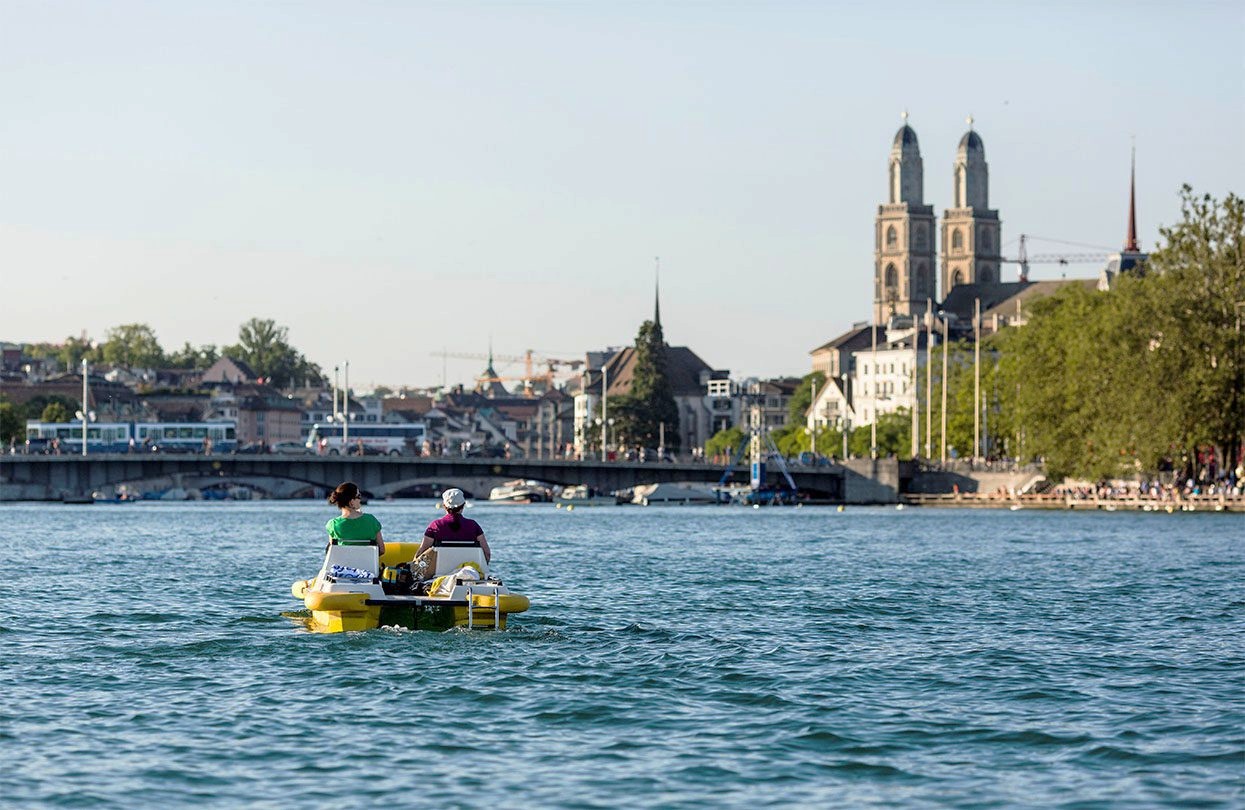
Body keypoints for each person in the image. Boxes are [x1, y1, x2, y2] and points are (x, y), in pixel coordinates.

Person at [416, 488, 491, 573]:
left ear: (444, 506)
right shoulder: (473, 526)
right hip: (470, 575)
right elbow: (487, 554)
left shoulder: (436, 525)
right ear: (463, 505)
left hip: (439, 574)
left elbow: (422, 552)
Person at [325, 481, 385, 557]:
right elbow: (382, 550)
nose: (360, 499)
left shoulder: (332, 524)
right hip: (367, 565)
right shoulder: (371, 520)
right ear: (351, 501)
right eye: (358, 496)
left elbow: (332, 552)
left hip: (344, 566)